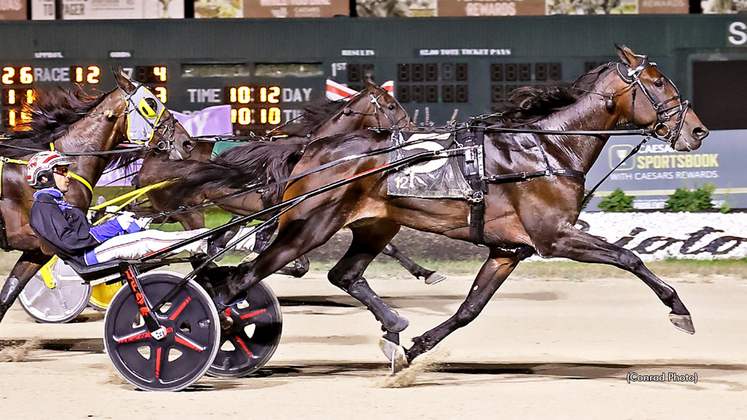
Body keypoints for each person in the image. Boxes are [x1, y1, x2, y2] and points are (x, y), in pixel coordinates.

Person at [26, 150, 234, 266]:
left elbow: (81, 233)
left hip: (92, 251)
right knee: (147, 241)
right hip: (88, 257)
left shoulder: (54, 204)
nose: (68, 175)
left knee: (144, 235)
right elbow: (71, 242)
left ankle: (214, 240)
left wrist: (125, 224)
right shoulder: (44, 208)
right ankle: (211, 241)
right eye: (62, 170)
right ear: (43, 178)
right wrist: (114, 226)